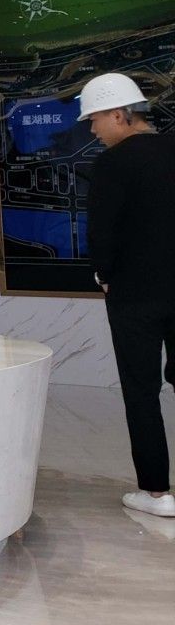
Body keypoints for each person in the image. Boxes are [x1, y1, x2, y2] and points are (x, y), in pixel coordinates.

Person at [80, 72, 175, 518]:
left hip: (134, 297)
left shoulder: (111, 165)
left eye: (95, 119)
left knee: (141, 390)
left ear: (119, 115)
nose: (93, 129)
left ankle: (157, 493)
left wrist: (105, 275)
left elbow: (102, 232)